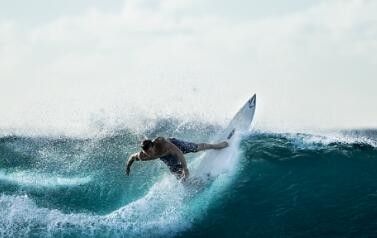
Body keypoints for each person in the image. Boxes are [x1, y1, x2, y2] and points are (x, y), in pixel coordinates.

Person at [126, 137, 229, 180]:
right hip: (165, 156)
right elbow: (132, 157)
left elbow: (179, 153)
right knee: (179, 176)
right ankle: (192, 183)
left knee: (195, 148)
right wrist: (128, 167)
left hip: (174, 145)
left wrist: (185, 168)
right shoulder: (143, 156)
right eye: (146, 153)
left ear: (153, 146)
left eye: (150, 151)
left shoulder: (162, 143)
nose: (148, 154)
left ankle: (216, 146)